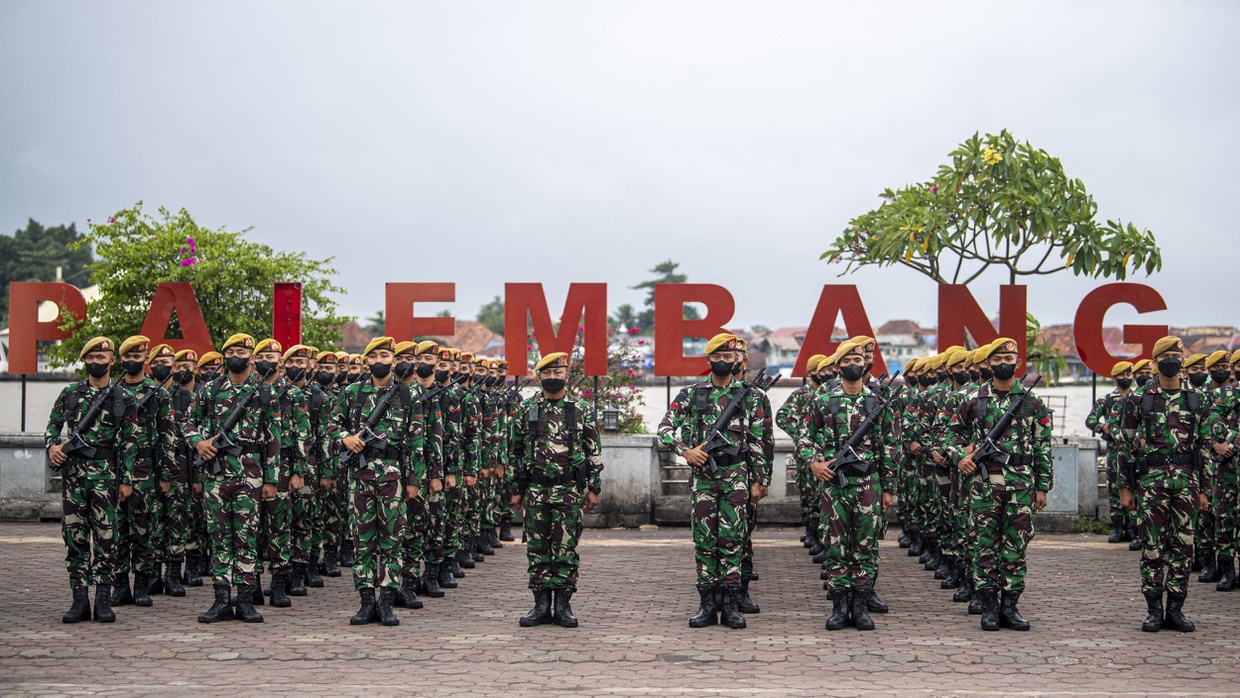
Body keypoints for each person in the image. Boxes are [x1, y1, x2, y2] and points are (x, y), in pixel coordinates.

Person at [658, 334, 766, 630]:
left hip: (736, 479)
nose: (724, 361)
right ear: (708, 361)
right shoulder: (692, 394)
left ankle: (731, 605)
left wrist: (759, 480)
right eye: (718, 356)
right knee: (705, 543)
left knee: (732, 541)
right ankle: (707, 605)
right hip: (704, 480)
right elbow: (665, 427)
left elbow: (757, 441)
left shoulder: (750, 396)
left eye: (729, 357)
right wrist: (685, 450)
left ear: (738, 360)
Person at [948, 338, 1052, 631]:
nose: (1003, 363)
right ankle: (990, 607)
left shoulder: (1031, 401)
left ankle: (1011, 606)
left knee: (1016, 547)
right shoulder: (973, 400)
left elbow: (1043, 446)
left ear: (1018, 363)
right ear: (987, 364)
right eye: (996, 359)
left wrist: (1043, 486)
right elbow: (949, 435)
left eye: (1009, 358)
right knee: (984, 547)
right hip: (984, 484)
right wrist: (960, 457)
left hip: (1020, 486)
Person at [183, 333, 281, 623]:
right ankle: (222, 600)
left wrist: (272, 479)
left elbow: (274, 439)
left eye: (242, 351)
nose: (236, 356)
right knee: (219, 538)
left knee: (246, 538)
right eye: (231, 351)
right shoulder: (208, 390)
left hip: (250, 475)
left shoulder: (265, 392)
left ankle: (246, 601)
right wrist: (198, 442)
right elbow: (187, 420)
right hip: (216, 473)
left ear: (252, 357)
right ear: (224, 356)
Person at [1117, 336, 1212, 632]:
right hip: (1151, 483)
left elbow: (1205, 446)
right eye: (1166, 355)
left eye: (1177, 354)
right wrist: (1125, 488)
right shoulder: (1138, 399)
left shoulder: (1197, 398)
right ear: (1155, 362)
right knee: (1153, 547)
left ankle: (1176, 610)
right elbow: (1125, 445)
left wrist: (1205, 490)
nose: (1173, 359)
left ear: (1182, 360)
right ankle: (1154, 610)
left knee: (1183, 547)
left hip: (1187, 482)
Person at [800, 340, 896, 631]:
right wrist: (814, 463)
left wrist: (889, 487)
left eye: (859, 359)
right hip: (835, 485)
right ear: (838, 366)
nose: (854, 364)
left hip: (868, 482)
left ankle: (861, 605)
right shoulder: (823, 400)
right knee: (837, 547)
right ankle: (840, 606)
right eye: (847, 360)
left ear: (866, 364)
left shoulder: (879, 402)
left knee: (865, 546)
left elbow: (890, 447)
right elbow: (805, 438)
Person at [330, 337, 423, 626]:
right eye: (375, 356)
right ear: (366, 361)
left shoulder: (408, 395)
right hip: (360, 476)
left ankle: (386, 603)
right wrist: (346, 439)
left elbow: (418, 439)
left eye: (386, 355)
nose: (381, 361)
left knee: (392, 540)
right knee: (363, 541)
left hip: (394, 477)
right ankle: (366, 603)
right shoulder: (352, 393)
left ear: (395, 361)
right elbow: (331, 426)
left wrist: (414, 481)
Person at [45, 337, 137, 623]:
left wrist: (126, 480)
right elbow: (51, 426)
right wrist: (53, 446)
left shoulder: (123, 397)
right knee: (75, 539)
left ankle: (104, 599)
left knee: (107, 538)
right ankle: (79, 600)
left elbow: (130, 443)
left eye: (102, 357)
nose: (97, 362)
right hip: (74, 477)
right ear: (85, 361)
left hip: (106, 477)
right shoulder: (70, 394)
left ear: (112, 361)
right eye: (91, 358)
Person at [510, 351, 603, 628]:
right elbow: (514, 451)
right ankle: (540, 605)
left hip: (568, 490)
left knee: (565, 547)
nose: (552, 378)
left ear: (566, 375)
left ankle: (563, 605)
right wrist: (516, 490)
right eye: (547, 374)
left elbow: (593, 451)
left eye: (557, 373)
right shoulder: (527, 409)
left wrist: (594, 488)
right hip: (536, 491)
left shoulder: (581, 409)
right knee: (537, 548)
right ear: (539, 376)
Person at [113, 336, 175, 608]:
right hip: (114, 469)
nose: (132, 362)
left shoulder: (158, 392)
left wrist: (165, 475)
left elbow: (168, 436)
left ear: (145, 360)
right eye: (128, 357)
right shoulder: (112, 391)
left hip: (145, 469)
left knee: (142, 529)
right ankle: (119, 586)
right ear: (121, 359)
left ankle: (141, 585)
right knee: (116, 529)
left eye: (138, 357)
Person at [1086, 361, 1136, 545]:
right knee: (1114, 488)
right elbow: (1090, 420)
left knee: (1134, 487)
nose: (1125, 378)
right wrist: (1103, 427)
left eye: (1128, 374)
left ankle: (1133, 528)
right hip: (1115, 451)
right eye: (1121, 375)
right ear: (1114, 378)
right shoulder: (1106, 400)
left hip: (1134, 450)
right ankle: (1117, 527)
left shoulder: (1137, 397)